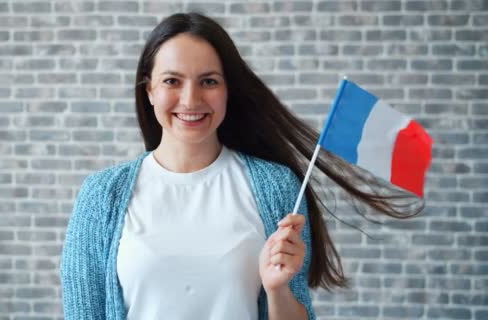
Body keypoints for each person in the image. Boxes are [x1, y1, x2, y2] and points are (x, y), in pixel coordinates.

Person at [60, 12, 421, 320]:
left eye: (209, 82)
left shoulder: (276, 187)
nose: (191, 99)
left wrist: (277, 288)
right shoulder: (102, 195)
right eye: (172, 81)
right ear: (149, 91)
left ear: (227, 90)